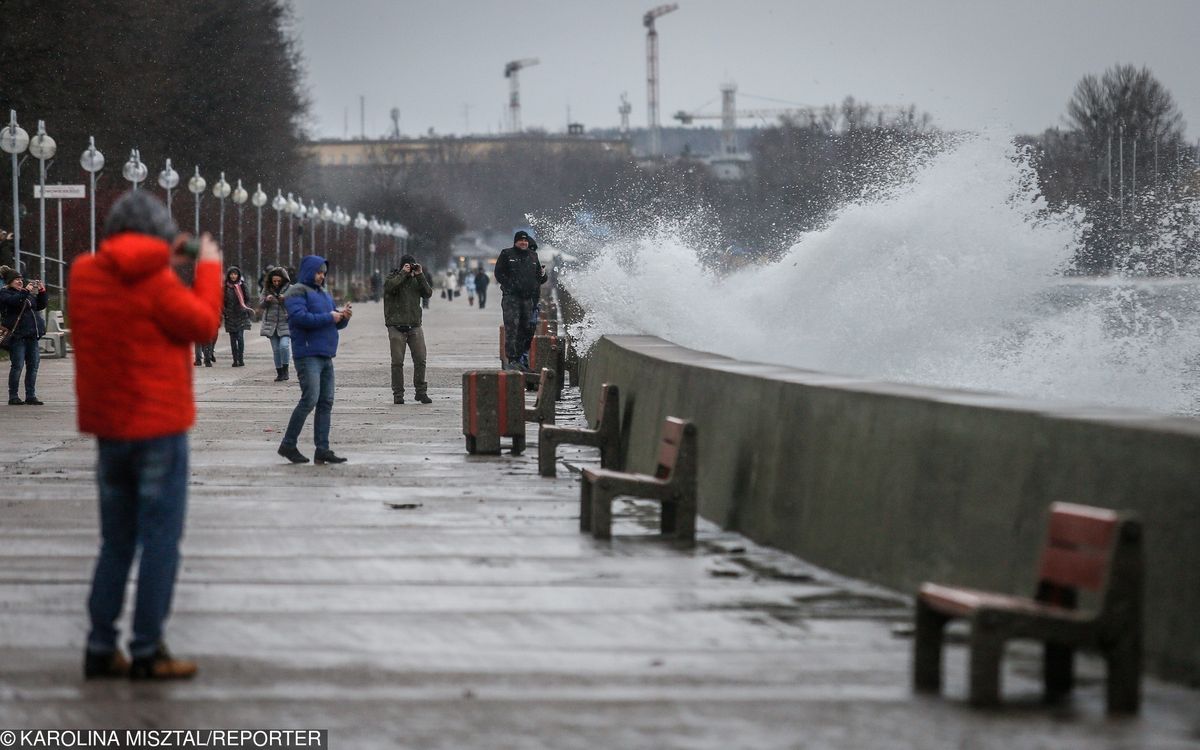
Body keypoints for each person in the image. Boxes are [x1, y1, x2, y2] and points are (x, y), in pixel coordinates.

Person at [69, 190, 223, 680]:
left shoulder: (82, 274)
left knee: (115, 543)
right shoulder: (157, 282)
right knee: (160, 540)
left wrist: (164, 255)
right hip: (158, 427)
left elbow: (122, 287)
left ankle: (99, 647)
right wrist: (209, 267)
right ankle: (146, 648)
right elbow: (203, 324)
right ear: (159, 236)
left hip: (109, 429)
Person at [277, 255, 352, 465]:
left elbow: (332, 321)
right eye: (318, 272)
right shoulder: (296, 291)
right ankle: (288, 444)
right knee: (310, 399)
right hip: (308, 354)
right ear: (310, 271)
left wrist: (342, 317)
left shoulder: (324, 293)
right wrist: (330, 317)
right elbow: (301, 318)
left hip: (326, 353)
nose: (321, 276)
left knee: (326, 402)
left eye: (323, 273)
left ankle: (322, 449)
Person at [383, 254, 434, 405]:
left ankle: (421, 392)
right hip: (396, 326)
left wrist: (420, 275)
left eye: (411, 265)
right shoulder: (393, 278)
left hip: (414, 325)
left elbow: (428, 293)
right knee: (397, 362)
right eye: (407, 265)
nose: (410, 267)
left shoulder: (416, 280)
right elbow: (390, 287)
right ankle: (398, 394)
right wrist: (403, 274)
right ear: (401, 266)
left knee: (420, 359)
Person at [494, 230, 547, 371]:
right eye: (520, 240)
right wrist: (510, 286)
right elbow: (499, 273)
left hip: (528, 299)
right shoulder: (507, 254)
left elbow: (540, 278)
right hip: (511, 298)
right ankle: (512, 359)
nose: (523, 243)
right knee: (512, 328)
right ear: (515, 242)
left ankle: (522, 359)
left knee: (527, 329)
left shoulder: (533, 256)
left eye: (525, 241)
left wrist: (543, 274)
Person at [0, 267, 47, 405]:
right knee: (18, 366)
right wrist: (26, 291)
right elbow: (15, 302)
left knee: (33, 366)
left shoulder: (26, 294)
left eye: (21, 279)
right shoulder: (4, 294)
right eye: (16, 280)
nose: (20, 282)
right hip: (17, 336)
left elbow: (39, 305)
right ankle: (13, 396)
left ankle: (30, 395)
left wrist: (42, 291)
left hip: (31, 335)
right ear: (9, 282)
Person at [260, 266, 291, 381]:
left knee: (284, 346)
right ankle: (279, 372)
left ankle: (286, 369)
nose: (276, 283)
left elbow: (297, 304)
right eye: (274, 281)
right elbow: (261, 304)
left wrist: (286, 299)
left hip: (285, 322)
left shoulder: (290, 289)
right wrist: (266, 300)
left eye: (279, 281)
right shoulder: (266, 289)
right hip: (271, 324)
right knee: (276, 350)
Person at [222, 266, 253, 367]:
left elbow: (248, 299)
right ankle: (235, 359)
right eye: (231, 274)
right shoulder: (225, 287)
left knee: (240, 337)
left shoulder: (242, 286)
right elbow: (221, 300)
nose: (233, 276)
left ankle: (241, 358)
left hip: (241, 315)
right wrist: (225, 311)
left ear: (238, 275)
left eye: (235, 274)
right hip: (230, 315)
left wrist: (245, 307)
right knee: (232, 338)